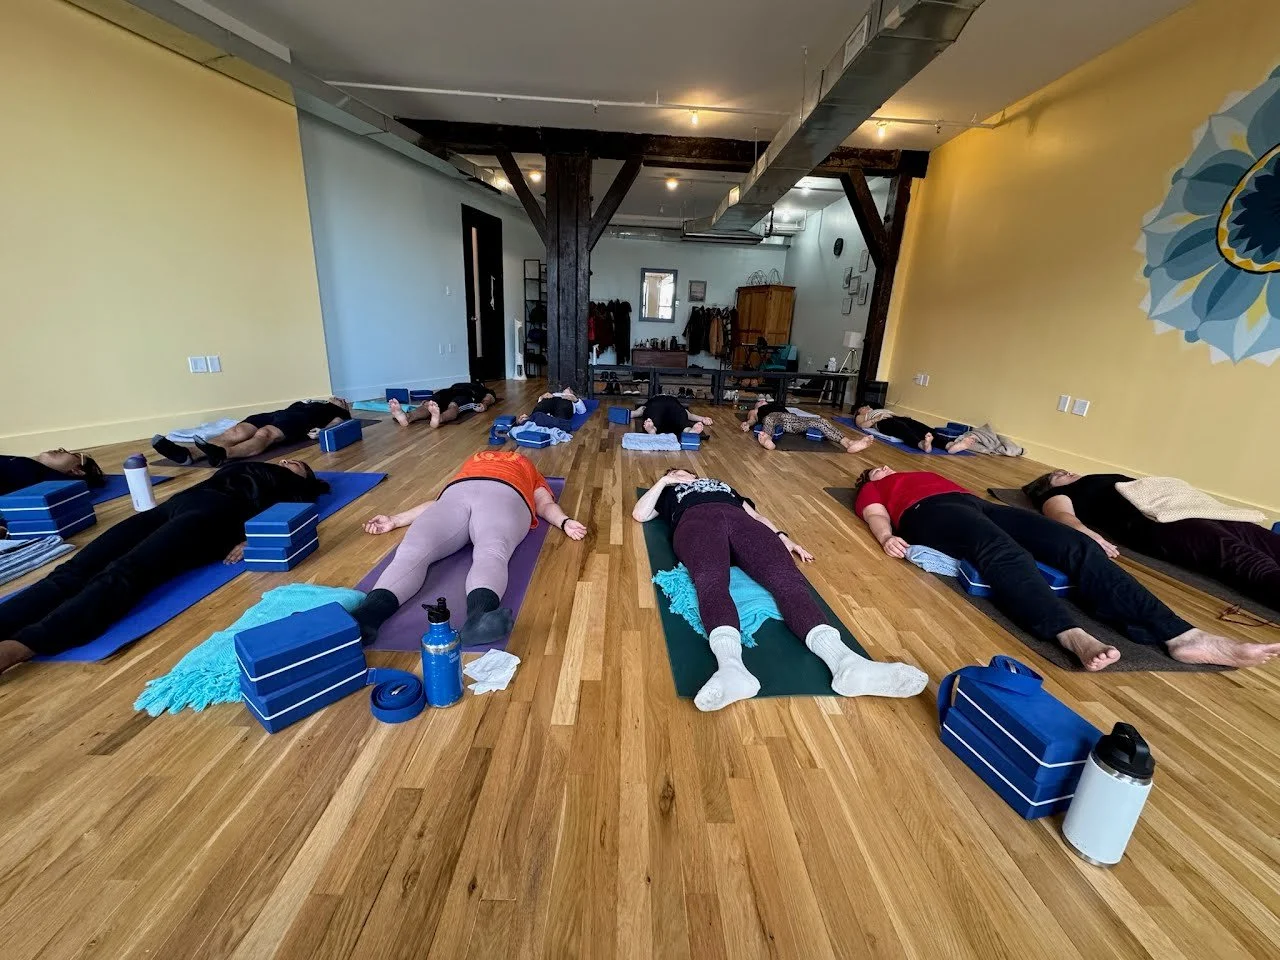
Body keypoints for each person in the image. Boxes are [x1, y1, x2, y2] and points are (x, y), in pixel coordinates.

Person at [851, 466, 1280, 671]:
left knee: (1076, 546)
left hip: (978, 503)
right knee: (1002, 553)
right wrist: (886, 535)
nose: (886, 467)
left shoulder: (925, 470)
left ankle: (1182, 634)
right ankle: (1068, 633)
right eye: (877, 469)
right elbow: (875, 514)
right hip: (927, 512)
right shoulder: (877, 486)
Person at [632, 468, 927, 711]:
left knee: (787, 579)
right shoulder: (669, 492)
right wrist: (664, 481)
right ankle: (731, 669)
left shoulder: (724, 487)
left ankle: (848, 663)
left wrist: (786, 540)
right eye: (677, 473)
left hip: (740, 521)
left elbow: (757, 517)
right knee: (711, 581)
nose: (684, 475)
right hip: (696, 523)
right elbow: (640, 515)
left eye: (686, 473)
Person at [0, 459, 330, 673]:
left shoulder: (295, 487)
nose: (290, 461)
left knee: (126, 570)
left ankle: (24, 645)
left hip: (212, 517)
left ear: (304, 477)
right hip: (170, 507)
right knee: (72, 571)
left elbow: (292, 516)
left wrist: (250, 540)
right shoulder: (244, 466)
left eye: (300, 464)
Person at [351, 451, 586, 646]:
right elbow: (436, 504)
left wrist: (564, 522)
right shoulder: (474, 461)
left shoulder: (530, 470)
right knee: (413, 549)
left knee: (490, 550)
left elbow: (544, 504)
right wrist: (396, 519)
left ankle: (480, 615)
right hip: (457, 497)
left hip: (503, 496)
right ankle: (367, 617)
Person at [1024, 470, 1280, 608]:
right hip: (1158, 521)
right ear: (1050, 487)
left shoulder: (1097, 479)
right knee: (1244, 558)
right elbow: (1061, 515)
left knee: (1267, 540)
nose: (1067, 473)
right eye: (1057, 475)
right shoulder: (1060, 494)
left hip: (1191, 506)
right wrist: (1089, 534)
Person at [151, 398, 351, 466]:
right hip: (277, 413)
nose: (336, 398)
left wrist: (322, 430)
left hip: (298, 421)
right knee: (235, 431)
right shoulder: (312, 401)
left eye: (340, 399)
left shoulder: (338, 411)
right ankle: (189, 454)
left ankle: (224, 454)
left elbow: (337, 424)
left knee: (264, 434)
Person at [741, 398, 873, 454]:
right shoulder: (756, 411)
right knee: (770, 418)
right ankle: (767, 440)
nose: (762, 401)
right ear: (756, 405)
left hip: (790, 419)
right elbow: (752, 420)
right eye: (759, 401)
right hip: (772, 419)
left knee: (820, 421)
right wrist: (747, 424)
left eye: (764, 400)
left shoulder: (776, 404)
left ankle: (848, 443)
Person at [853, 405, 977, 454]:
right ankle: (922, 444)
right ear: (859, 411)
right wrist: (876, 419)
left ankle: (949, 445)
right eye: (864, 407)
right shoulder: (861, 416)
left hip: (898, 417)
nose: (868, 407)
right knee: (902, 429)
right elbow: (862, 426)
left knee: (925, 429)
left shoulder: (882, 409)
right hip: (883, 422)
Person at [389, 381, 498, 429]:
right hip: (458, 393)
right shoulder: (480, 389)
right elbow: (490, 397)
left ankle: (409, 416)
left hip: (450, 392)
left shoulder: (476, 388)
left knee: (435, 404)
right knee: (453, 406)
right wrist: (485, 404)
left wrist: (484, 404)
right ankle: (438, 418)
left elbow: (489, 398)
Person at [1, 450, 105, 496]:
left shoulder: (51, 480)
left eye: (73, 455)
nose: (60, 449)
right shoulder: (32, 466)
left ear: (77, 471)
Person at [630, 393, 713, 436]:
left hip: (657, 405)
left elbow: (641, 410)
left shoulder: (653, 399)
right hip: (670, 406)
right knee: (680, 415)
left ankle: (653, 429)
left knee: (654, 416)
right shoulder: (673, 400)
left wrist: (634, 413)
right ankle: (688, 430)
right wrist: (702, 418)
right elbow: (689, 415)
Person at [515, 387, 586, 433]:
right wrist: (542, 397)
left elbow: (582, 411)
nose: (568, 388)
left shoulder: (573, 398)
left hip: (565, 402)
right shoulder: (555, 394)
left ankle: (558, 424)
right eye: (567, 388)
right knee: (542, 406)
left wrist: (574, 399)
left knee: (563, 409)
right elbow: (540, 404)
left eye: (570, 389)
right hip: (552, 399)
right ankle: (529, 420)